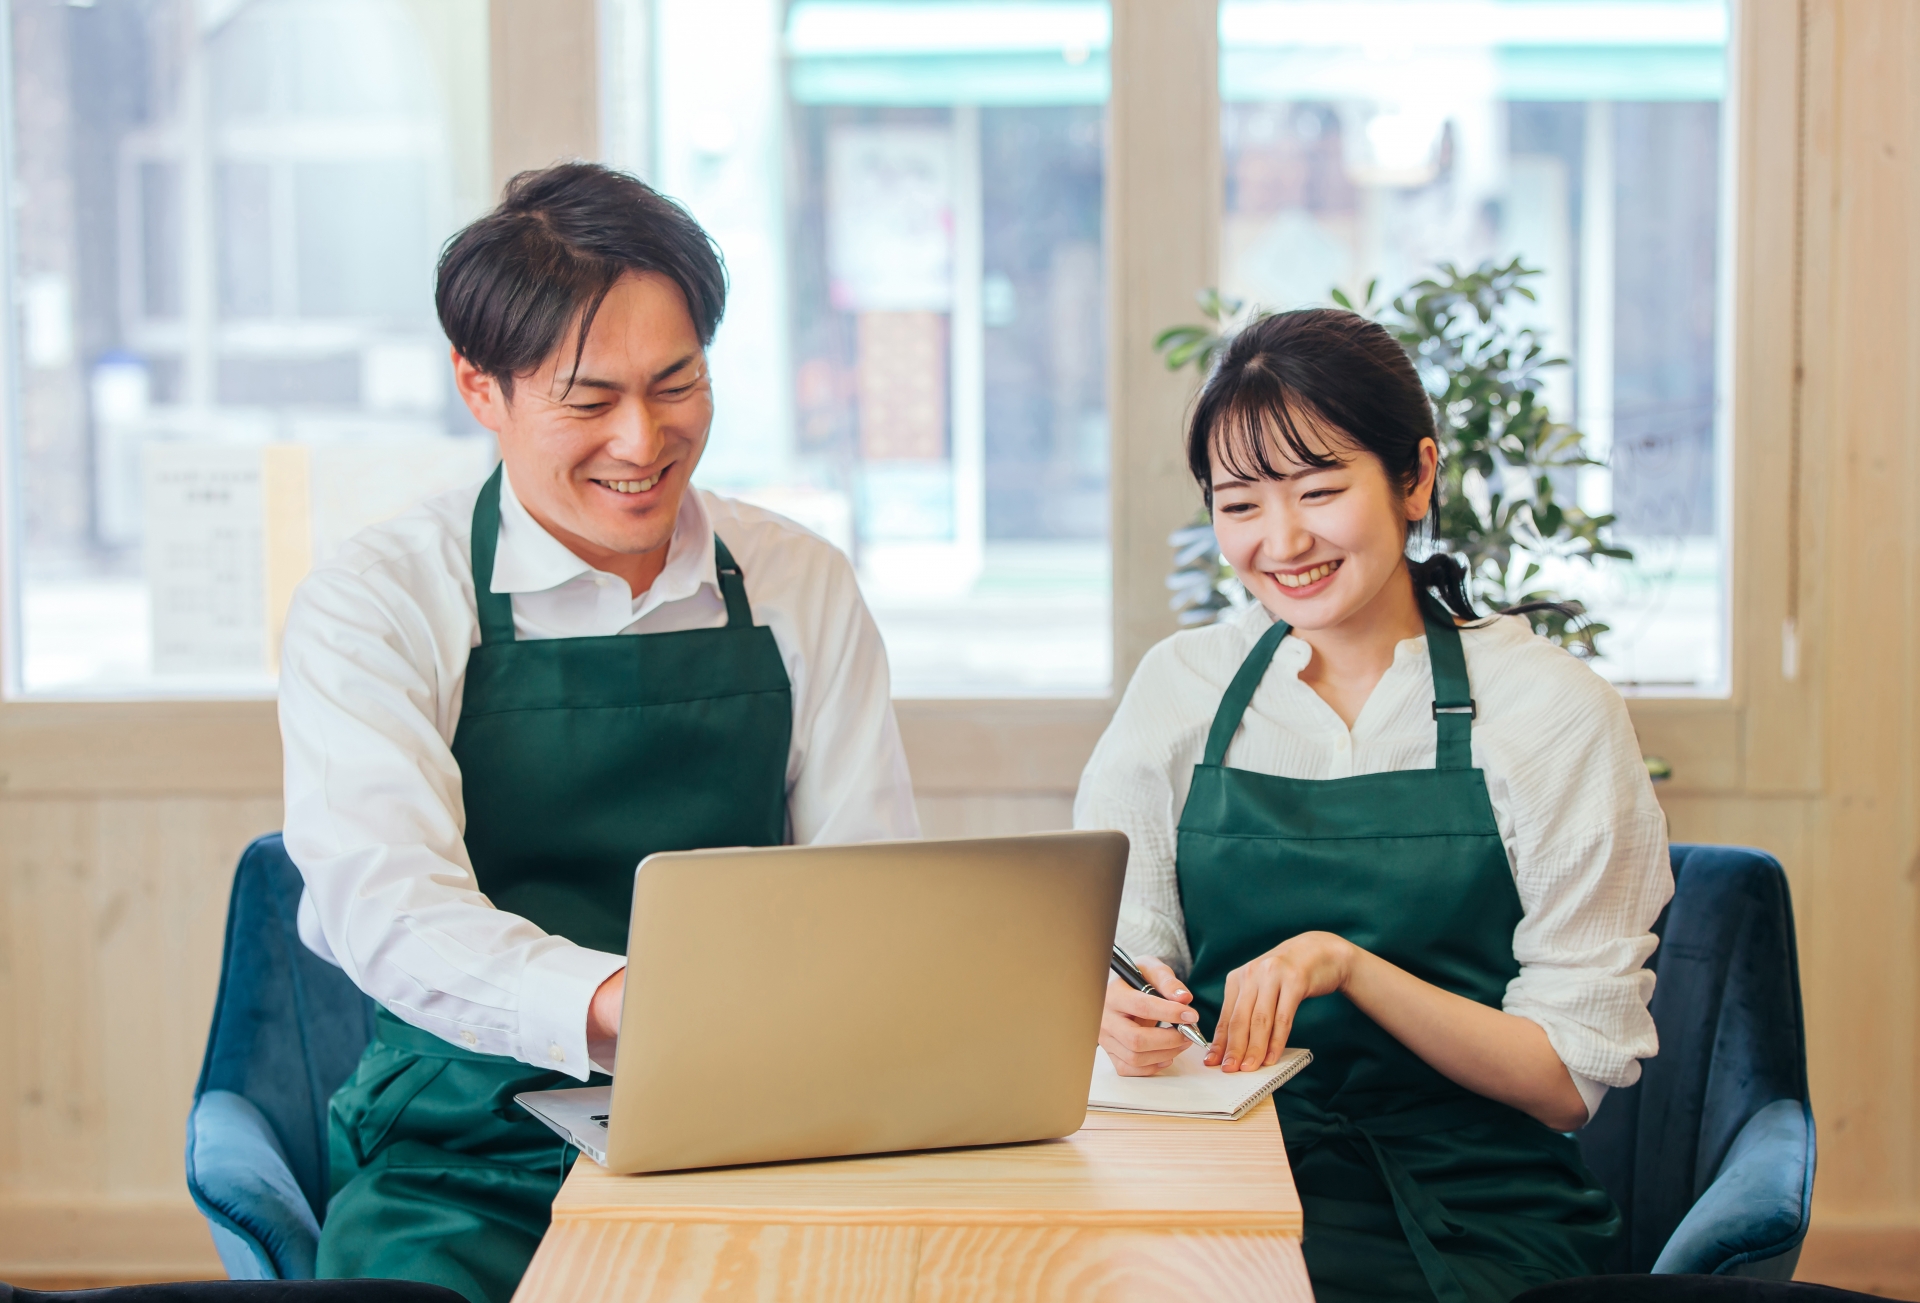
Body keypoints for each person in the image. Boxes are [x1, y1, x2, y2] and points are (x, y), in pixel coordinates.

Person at [277, 163, 919, 1303]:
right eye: (589, 400)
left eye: (679, 384)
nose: (644, 439)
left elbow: (868, 882)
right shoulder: (378, 600)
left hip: (755, 1129)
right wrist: (622, 1005)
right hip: (459, 1145)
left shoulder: (796, 582)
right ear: (482, 388)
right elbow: (388, 909)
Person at [1075, 308, 1673, 1303]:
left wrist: (1346, 965)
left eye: (1319, 490)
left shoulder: (1551, 712)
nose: (1283, 541)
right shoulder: (1181, 688)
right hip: (1217, 1170)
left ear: (1415, 478)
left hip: (1472, 1202)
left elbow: (1565, 1083)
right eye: (1241, 504)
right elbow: (1118, 948)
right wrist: (1120, 1011)